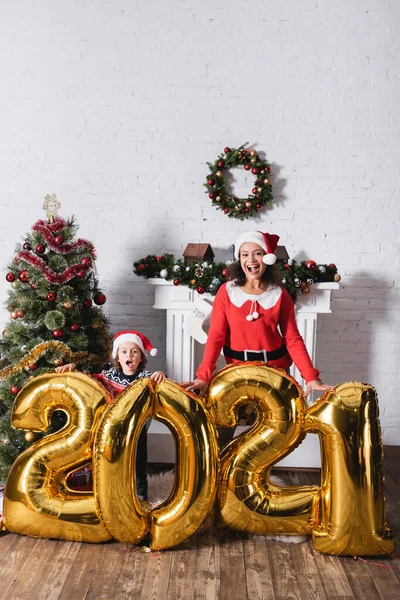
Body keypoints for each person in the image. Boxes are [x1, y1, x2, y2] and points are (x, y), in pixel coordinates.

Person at [183, 231, 332, 404]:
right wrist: (203, 377)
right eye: (245, 254)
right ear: (239, 259)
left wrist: (311, 377)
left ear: (267, 258)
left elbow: (293, 339)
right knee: (224, 424)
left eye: (258, 254)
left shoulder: (280, 294)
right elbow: (216, 336)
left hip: (275, 372)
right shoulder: (226, 291)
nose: (251, 260)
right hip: (237, 372)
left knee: (283, 426)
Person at [56, 330, 165, 500]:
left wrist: (161, 374)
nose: (129, 355)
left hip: (137, 430)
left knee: (138, 461)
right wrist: (72, 369)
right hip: (112, 429)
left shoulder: (146, 378)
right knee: (112, 461)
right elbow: (88, 380)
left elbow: (163, 385)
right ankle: (114, 492)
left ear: (141, 357)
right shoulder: (109, 376)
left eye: (134, 351)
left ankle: (141, 493)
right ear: (118, 357)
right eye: (124, 351)